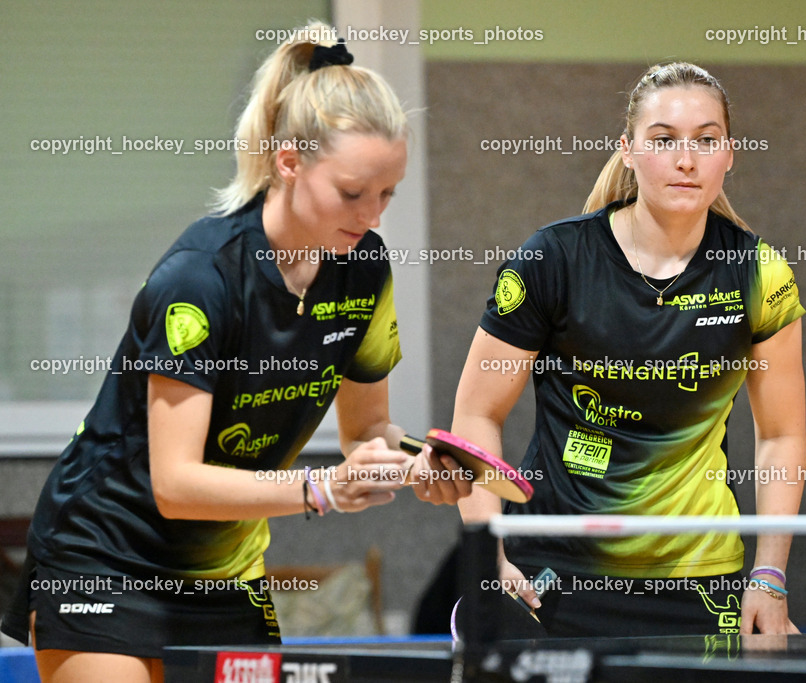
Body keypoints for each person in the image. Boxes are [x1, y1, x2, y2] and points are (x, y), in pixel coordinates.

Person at [0, 24, 470, 683]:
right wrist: (322, 487)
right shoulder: (200, 277)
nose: (373, 216)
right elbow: (176, 483)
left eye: (388, 193)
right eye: (352, 192)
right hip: (103, 555)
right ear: (288, 163)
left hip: (224, 574)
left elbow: (367, 430)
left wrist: (415, 464)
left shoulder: (363, 268)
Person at [453, 62, 806, 637]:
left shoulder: (760, 274)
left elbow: (781, 436)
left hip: (700, 576)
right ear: (628, 151)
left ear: (730, 154)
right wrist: (487, 553)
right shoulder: (554, 260)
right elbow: (476, 413)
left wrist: (769, 576)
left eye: (706, 140)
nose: (686, 159)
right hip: (557, 569)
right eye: (663, 140)